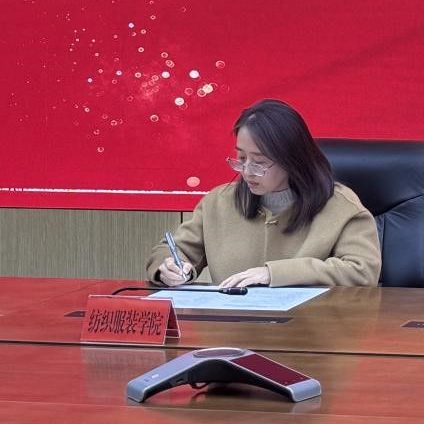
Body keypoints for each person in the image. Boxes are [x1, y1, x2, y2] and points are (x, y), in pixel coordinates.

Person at [146, 98, 381, 288]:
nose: (247, 171)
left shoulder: (340, 206)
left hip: (310, 327)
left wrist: (273, 274)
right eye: (241, 158)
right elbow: (175, 250)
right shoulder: (218, 203)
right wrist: (170, 267)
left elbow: (362, 271)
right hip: (233, 328)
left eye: (258, 162)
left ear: (292, 160)